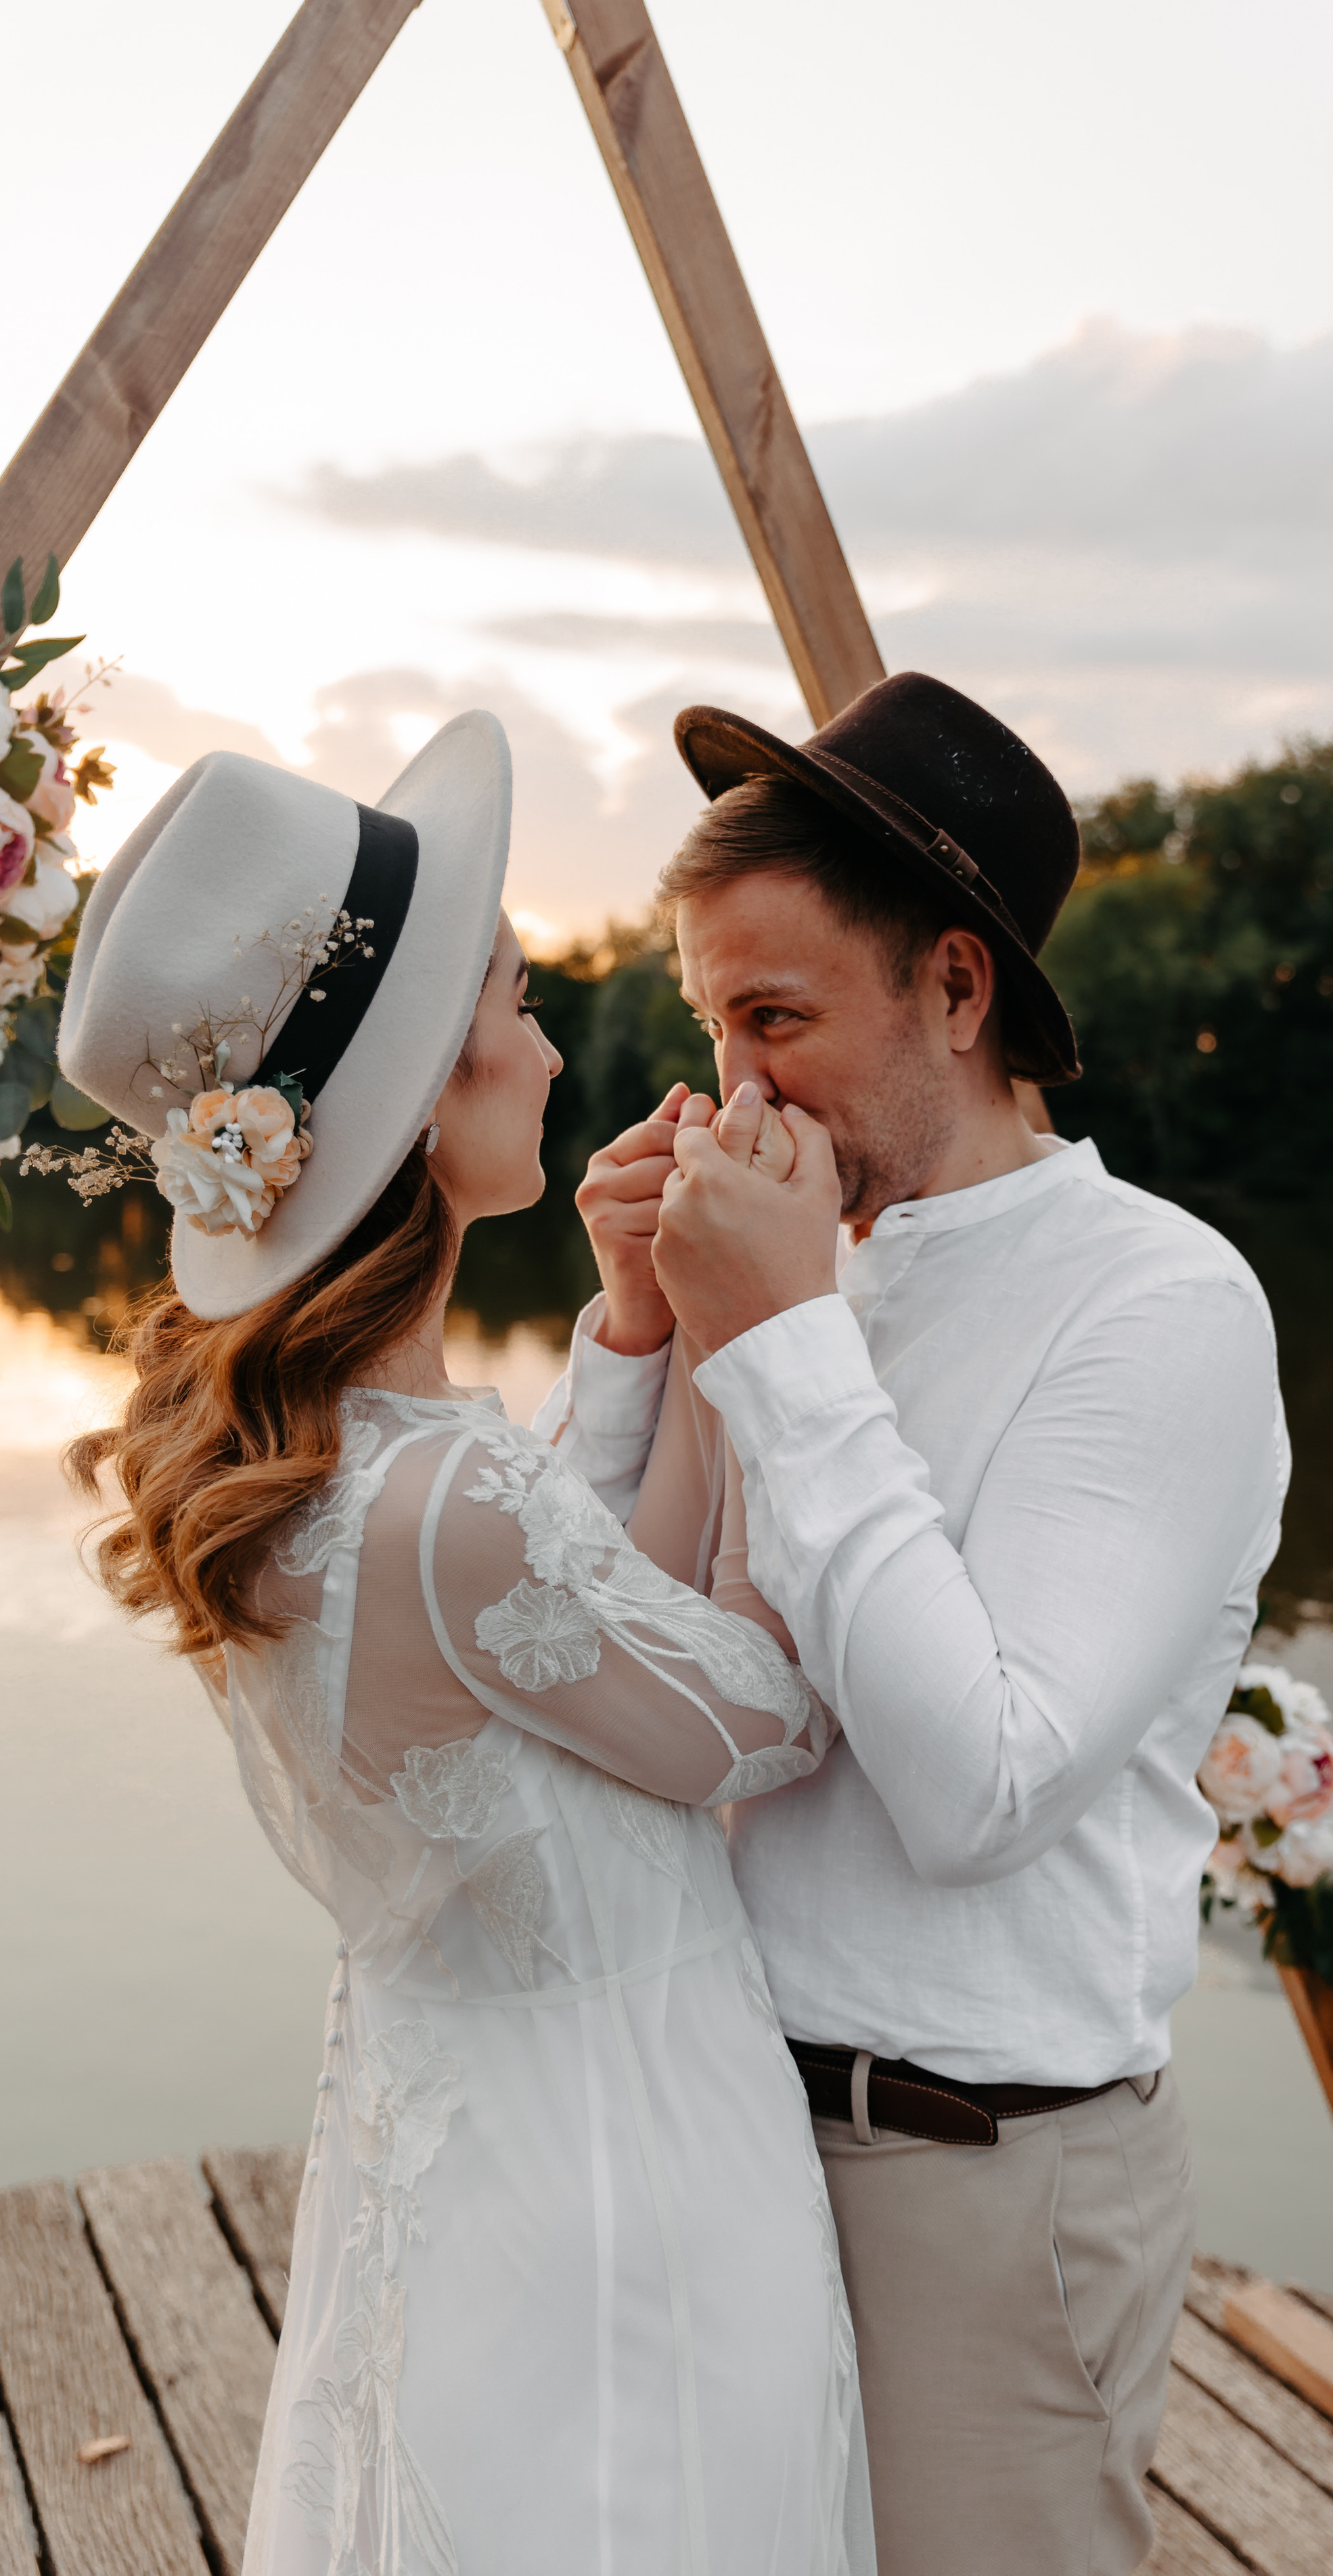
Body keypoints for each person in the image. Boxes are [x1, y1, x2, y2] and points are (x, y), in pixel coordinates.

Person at [54, 718, 874, 2576]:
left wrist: (647, 1326)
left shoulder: (337, 1472)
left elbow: (607, 1660)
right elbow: (759, 1717)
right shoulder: (442, 1505)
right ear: (425, 1089)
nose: (555, 1037)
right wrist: (770, 1332)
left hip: (465, 2155)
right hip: (614, 2186)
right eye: (510, 991)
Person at [537, 671, 1291, 2576]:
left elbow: (982, 1791)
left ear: (958, 992)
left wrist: (782, 1341)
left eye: (777, 1019)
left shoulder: (1160, 1306)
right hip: (725, 2129)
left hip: (983, 2176)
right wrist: (640, 1327)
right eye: (716, 1024)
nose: (732, 1092)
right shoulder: (798, 1262)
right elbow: (583, 1658)